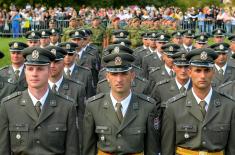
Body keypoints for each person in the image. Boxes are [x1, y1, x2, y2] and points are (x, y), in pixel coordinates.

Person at [83, 44, 161, 155]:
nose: (119, 79)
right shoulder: (94, 106)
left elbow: (152, 148)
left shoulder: (147, 106)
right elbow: (88, 148)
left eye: (124, 73)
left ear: (132, 75)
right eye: (114, 74)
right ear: (107, 77)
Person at [0, 46, 79, 155]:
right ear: (25, 71)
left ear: (49, 71)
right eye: (30, 68)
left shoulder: (67, 107)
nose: (34, 74)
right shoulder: (8, 106)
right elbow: (4, 150)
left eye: (40, 69)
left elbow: (72, 150)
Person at [161, 48, 235, 155]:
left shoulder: (229, 106)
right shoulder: (174, 106)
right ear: (190, 72)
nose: (203, 76)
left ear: (213, 72)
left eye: (207, 70)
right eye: (198, 70)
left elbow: (232, 149)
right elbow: (167, 149)